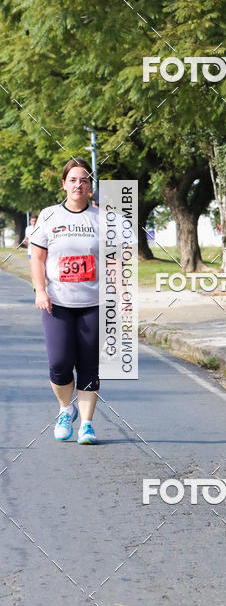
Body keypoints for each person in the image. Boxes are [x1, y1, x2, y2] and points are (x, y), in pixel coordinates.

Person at [30, 158, 100, 444]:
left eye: (84, 180)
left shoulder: (102, 219)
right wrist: (40, 290)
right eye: (72, 180)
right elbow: (37, 258)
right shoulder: (49, 216)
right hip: (57, 303)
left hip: (93, 304)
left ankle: (86, 425)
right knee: (59, 363)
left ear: (90, 186)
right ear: (64, 184)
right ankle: (64, 408)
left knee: (89, 366)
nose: (78, 185)